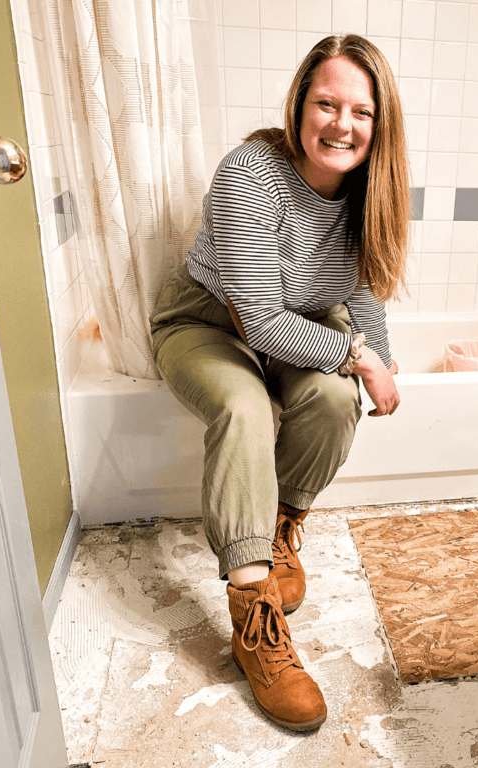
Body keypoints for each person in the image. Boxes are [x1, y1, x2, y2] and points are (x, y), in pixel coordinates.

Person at [149, 34, 410, 732]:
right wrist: (359, 355)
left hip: (297, 320)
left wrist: (374, 357)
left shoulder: (369, 188)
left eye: (360, 111)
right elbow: (261, 321)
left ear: (379, 125)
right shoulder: (250, 175)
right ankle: (256, 616)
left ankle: (282, 524)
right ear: (299, 105)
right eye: (326, 103)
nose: (342, 125)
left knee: (331, 398)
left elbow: (364, 295)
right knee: (246, 405)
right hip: (208, 320)